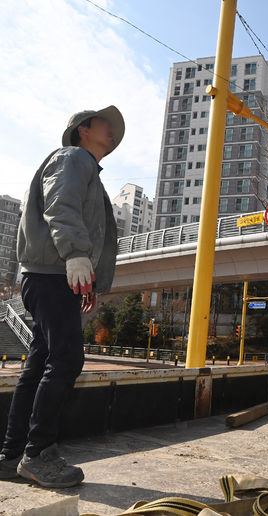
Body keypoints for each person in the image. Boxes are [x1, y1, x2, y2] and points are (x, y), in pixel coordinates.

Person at [0, 106, 123, 488]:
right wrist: (74, 254)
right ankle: (40, 453)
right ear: (83, 130)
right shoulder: (72, 158)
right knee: (67, 358)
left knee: (39, 363)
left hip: (52, 277)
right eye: (107, 125)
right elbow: (61, 204)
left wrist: (87, 279)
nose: (114, 132)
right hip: (52, 273)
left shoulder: (87, 169)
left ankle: (12, 456)